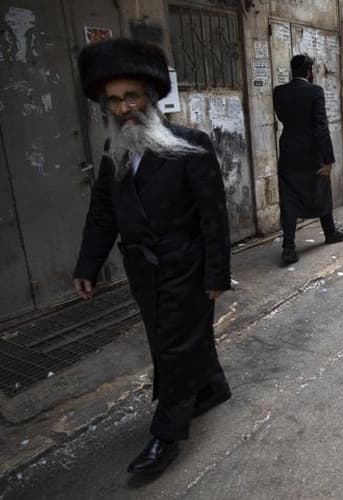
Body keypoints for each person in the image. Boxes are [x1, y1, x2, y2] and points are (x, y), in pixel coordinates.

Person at [72, 38, 232, 475]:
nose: (123, 107)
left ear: (151, 98)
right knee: (174, 340)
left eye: (131, 96)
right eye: (114, 100)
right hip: (143, 272)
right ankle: (213, 387)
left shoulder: (191, 145)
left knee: (175, 348)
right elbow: (103, 213)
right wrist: (88, 266)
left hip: (188, 267)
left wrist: (218, 273)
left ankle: (166, 435)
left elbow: (214, 218)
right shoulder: (113, 152)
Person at [273, 54, 343, 265]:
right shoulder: (315, 92)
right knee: (321, 190)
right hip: (311, 152)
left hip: (288, 150)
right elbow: (321, 127)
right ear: (308, 71)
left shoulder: (279, 92)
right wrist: (329, 159)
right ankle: (330, 232)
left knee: (288, 198)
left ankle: (288, 247)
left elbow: (283, 118)